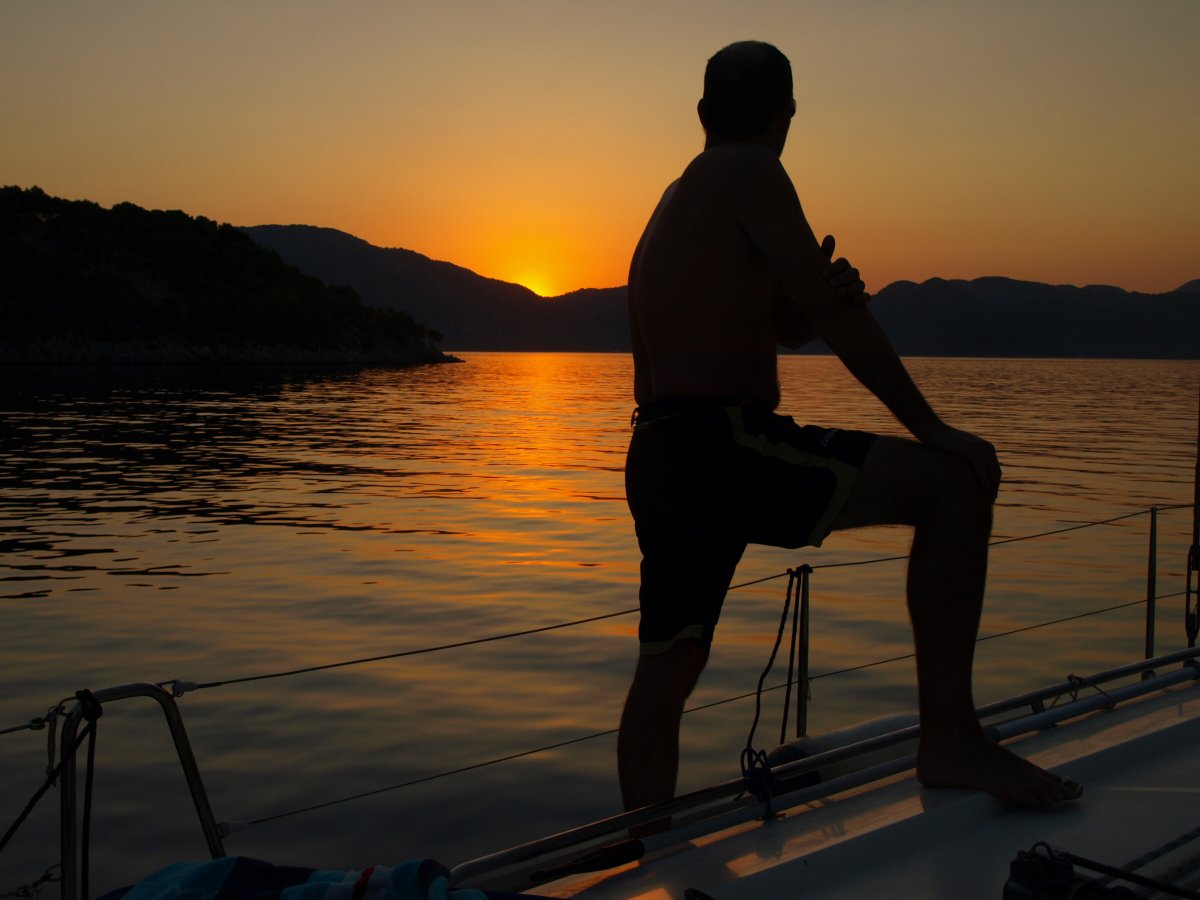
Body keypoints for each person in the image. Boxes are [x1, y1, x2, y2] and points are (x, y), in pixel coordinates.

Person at [618, 40, 1081, 828]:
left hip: (662, 452)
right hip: (726, 442)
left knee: (669, 666)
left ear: (701, 114)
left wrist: (805, 297)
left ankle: (644, 852)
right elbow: (834, 323)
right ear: (784, 115)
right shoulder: (754, 170)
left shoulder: (679, 198)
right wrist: (932, 426)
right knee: (954, 486)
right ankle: (951, 738)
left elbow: (777, 324)